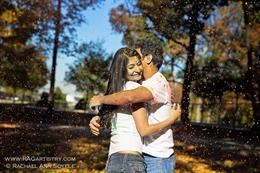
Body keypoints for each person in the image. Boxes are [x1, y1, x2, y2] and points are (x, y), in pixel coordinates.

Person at [90, 40, 179, 173]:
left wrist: (101, 99)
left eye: (138, 60)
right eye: (131, 65)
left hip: (157, 156)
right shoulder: (137, 85)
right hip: (136, 155)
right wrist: (99, 118)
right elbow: (122, 106)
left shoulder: (154, 84)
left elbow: (130, 97)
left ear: (148, 58)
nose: (137, 68)